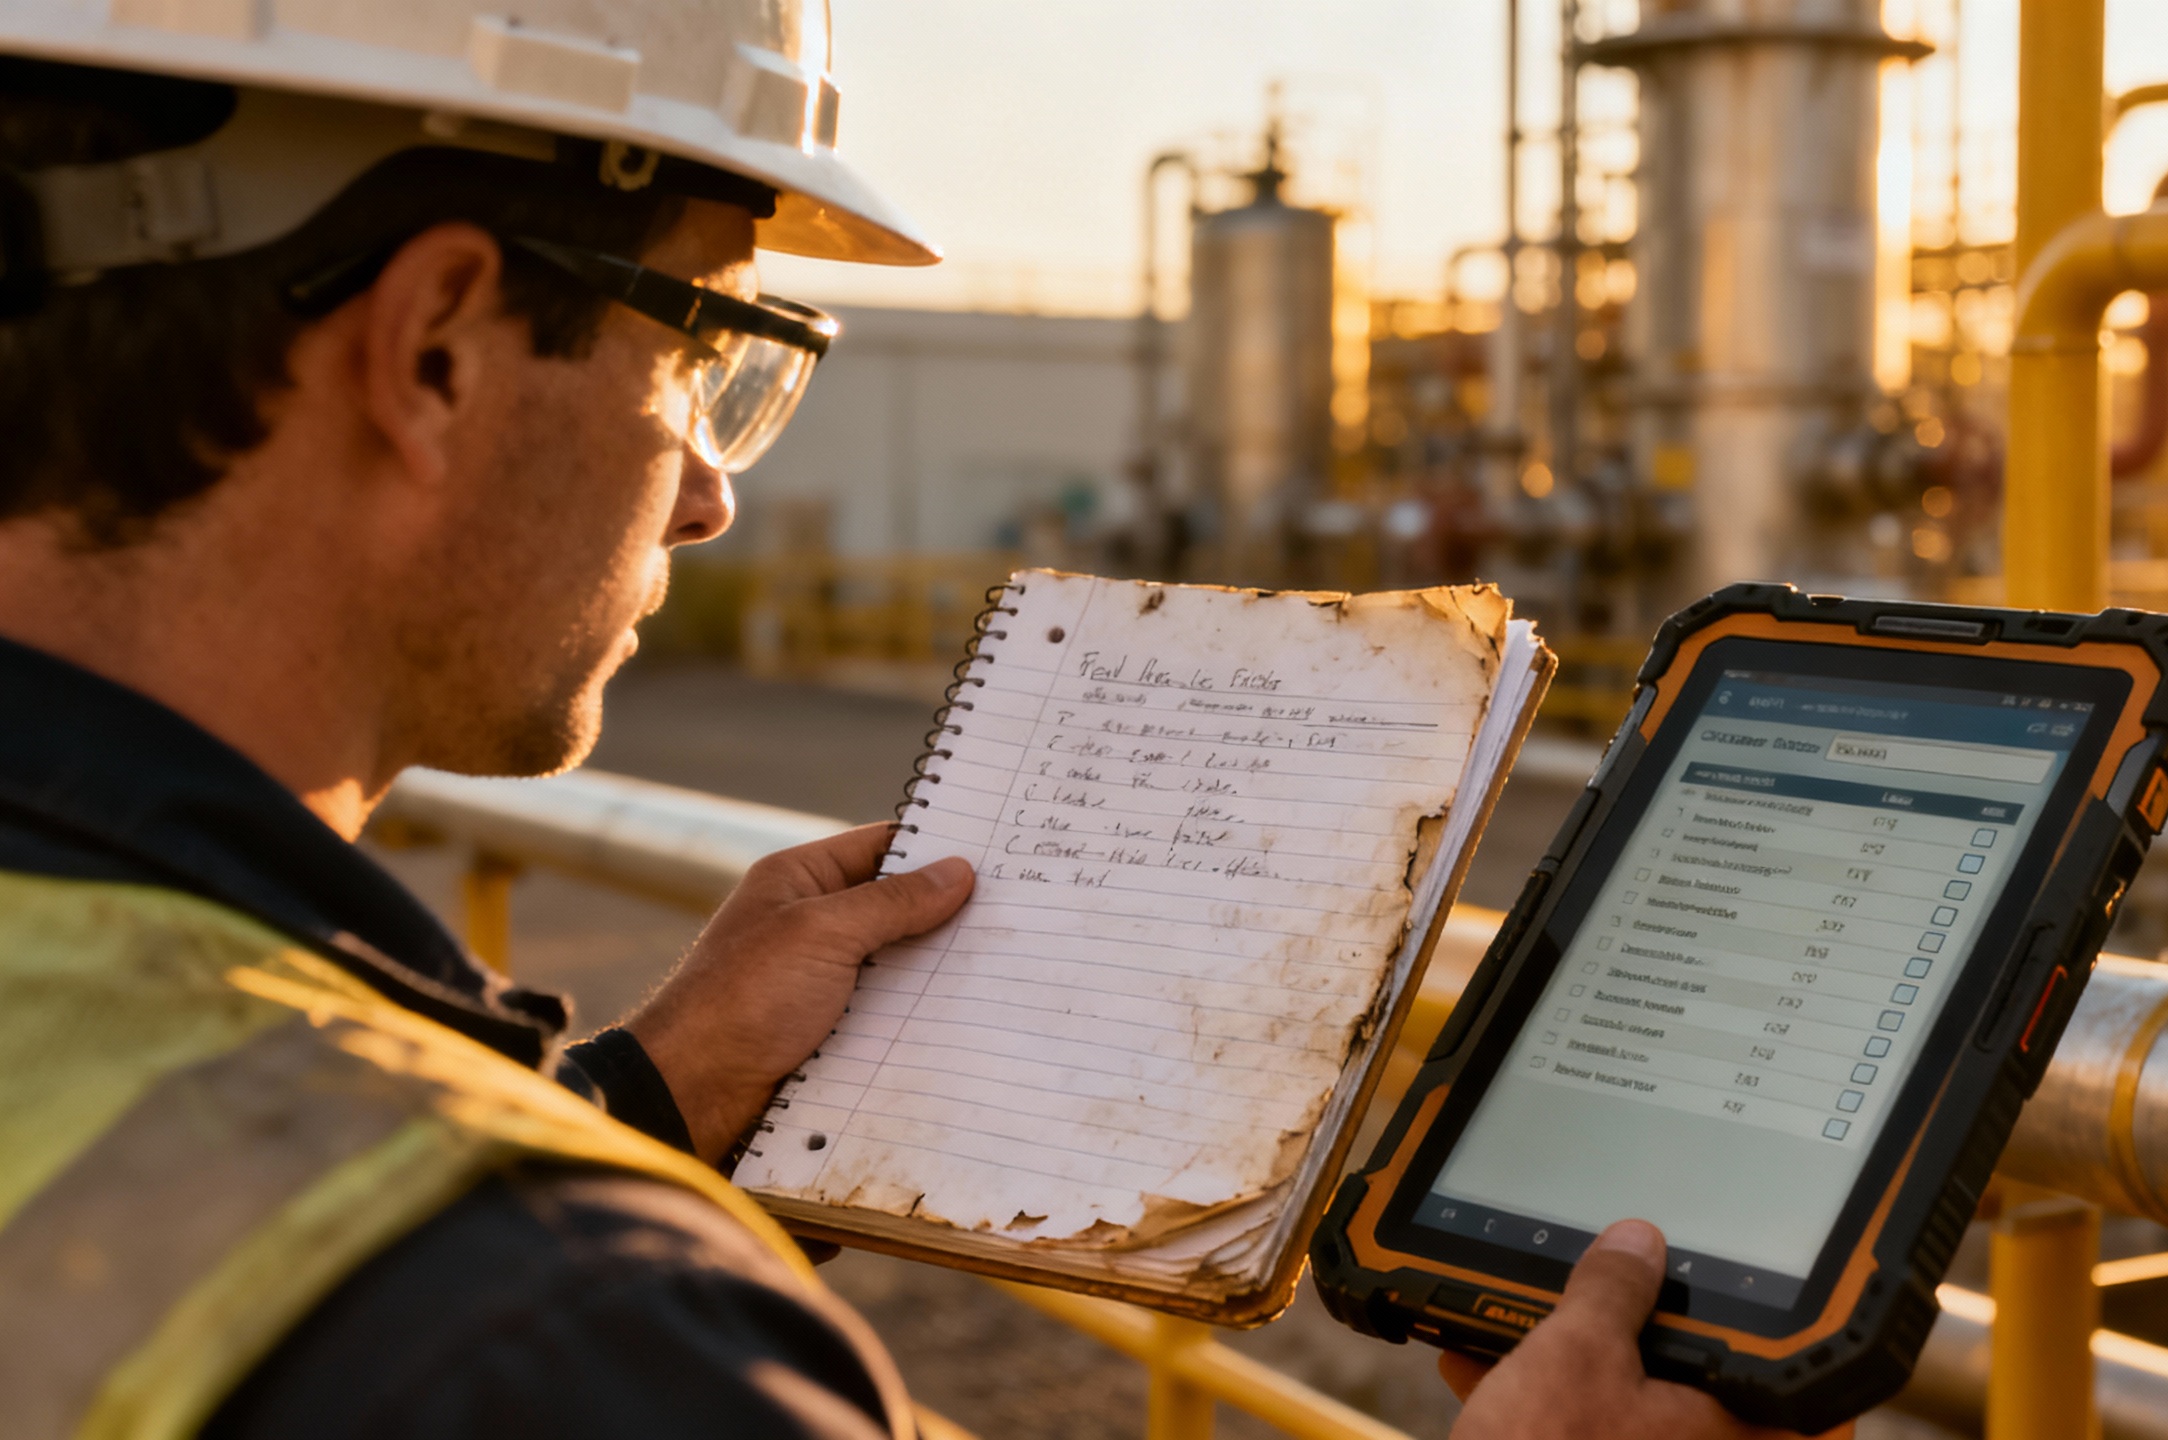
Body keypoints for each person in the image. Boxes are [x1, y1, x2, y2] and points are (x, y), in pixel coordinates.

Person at [0, 7, 1835, 1439]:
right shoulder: (561, 1342)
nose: (709, 493)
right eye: (703, 351)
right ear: (436, 352)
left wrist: (662, 1101)